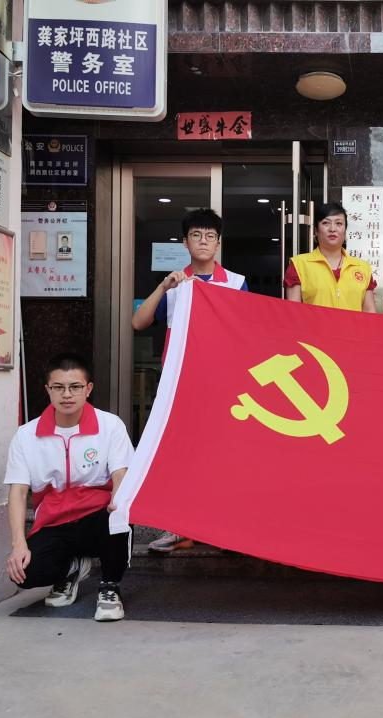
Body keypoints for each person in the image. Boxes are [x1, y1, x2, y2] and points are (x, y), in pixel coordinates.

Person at [132, 207, 247, 554]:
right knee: (180, 453)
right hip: (179, 382)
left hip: (222, 382)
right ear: (185, 242)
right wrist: (162, 286)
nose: (203, 241)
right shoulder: (174, 283)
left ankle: (222, 527)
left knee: (222, 455)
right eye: (196, 235)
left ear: (219, 242)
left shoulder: (236, 282)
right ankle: (177, 527)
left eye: (210, 236)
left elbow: (246, 332)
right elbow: (138, 322)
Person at [4, 353, 134, 622]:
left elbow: (121, 474)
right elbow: (18, 491)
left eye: (75, 387)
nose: (67, 394)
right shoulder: (26, 435)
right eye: (58, 387)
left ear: (88, 389)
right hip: (54, 520)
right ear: (47, 390)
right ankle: (71, 569)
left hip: (96, 515)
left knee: (118, 516)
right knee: (25, 573)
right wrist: (18, 544)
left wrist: (118, 502)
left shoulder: (110, 426)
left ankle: (109, 586)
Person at [284, 202, 377, 312]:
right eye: (325, 223)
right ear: (316, 230)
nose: (332, 229)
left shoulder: (363, 268)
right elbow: (293, 313)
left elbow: (369, 312)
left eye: (339, 223)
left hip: (352, 325)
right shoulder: (299, 265)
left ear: (345, 231)